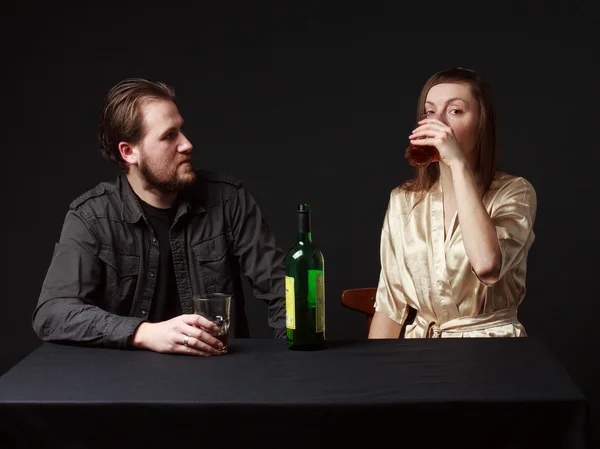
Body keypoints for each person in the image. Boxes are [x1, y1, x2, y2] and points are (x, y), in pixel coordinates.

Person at [32, 78, 286, 356]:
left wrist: (293, 368)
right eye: (169, 136)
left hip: (219, 378)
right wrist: (144, 332)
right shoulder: (92, 217)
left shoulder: (228, 200)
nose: (187, 144)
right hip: (123, 387)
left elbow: (284, 293)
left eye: (182, 130)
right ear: (129, 152)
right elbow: (52, 314)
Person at [369, 67, 537, 339]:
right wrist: (373, 375)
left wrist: (457, 163)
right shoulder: (403, 199)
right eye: (430, 112)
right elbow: (390, 306)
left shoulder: (515, 192)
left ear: (482, 123)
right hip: (422, 353)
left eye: (455, 111)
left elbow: (487, 266)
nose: (439, 124)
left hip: (493, 352)